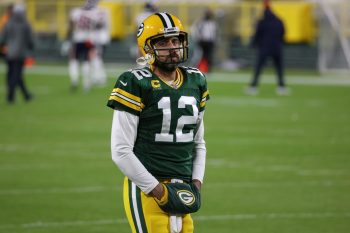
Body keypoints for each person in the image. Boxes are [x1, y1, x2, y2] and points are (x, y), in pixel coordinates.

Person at [107, 12, 209, 233]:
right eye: (163, 42)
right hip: (146, 188)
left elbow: (198, 143)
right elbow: (120, 150)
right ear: (147, 48)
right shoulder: (134, 82)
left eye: (175, 40)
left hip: (184, 187)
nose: (172, 47)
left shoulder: (196, 80)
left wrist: (196, 184)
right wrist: (158, 191)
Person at [246, 4, 288, 95]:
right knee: (279, 69)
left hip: (264, 48)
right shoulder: (279, 21)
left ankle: (253, 86)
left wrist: (253, 44)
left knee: (258, 68)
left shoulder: (262, 22)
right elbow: (283, 33)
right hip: (277, 47)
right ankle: (281, 87)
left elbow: (257, 34)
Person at [66, 0, 106, 92]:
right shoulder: (95, 13)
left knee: (74, 59)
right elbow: (100, 25)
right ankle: (86, 83)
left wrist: (67, 40)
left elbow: (71, 25)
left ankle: (74, 79)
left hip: (78, 39)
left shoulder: (76, 12)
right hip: (89, 40)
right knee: (87, 61)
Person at [0, 4, 34, 104]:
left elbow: (2, 39)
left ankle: (25, 95)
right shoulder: (25, 24)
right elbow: (30, 41)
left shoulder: (9, 23)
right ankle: (11, 96)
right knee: (16, 75)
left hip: (9, 53)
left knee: (12, 74)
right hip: (20, 54)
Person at [191, 9, 217, 73]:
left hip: (210, 42)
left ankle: (207, 69)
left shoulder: (212, 23)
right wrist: (197, 39)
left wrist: (214, 41)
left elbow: (214, 33)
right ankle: (198, 69)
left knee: (209, 56)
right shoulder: (201, 22)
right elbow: (195, 30)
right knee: (200, 55)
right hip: (202, 41)